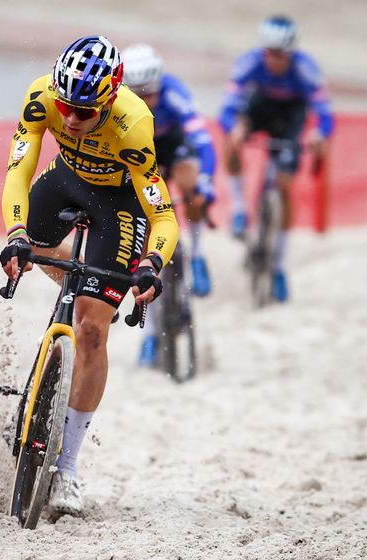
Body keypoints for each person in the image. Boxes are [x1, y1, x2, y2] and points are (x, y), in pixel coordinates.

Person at [0, 35, 178, 516]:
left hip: (120, 203)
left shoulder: (134, 122)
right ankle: (87, 287)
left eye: (85, 112)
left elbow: (164, 216)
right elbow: (18, 172)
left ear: (110, 97)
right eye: (66, 109)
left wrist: (152, 265)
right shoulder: (41, 98)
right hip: (65, 181)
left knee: (93, 330)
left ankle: (69, 469)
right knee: (31, 248)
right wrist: (16, 232)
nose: (71, 120)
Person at [219, 14, 334, 302]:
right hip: (260, 108)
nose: (275, 60)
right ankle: (239, 208)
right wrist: (235, 128)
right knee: (232, 138)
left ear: (291, 53)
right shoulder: (249, 63)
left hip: (291, 117)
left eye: (281, 55)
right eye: (270, 53)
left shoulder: (306, 69)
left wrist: (319, 135)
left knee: (284, 186)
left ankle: (280, 266)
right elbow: (227, 108)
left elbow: (325, 114)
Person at [120, 43, 217, 367]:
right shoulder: (117, 102)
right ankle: (150, 334)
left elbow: (203, 142)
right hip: (141, 152)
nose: (146, 101)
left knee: (192, 183)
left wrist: (204, 184)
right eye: (138, 95)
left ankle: (199, 253)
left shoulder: (175, 94)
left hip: (173, 148)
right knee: (147, 236)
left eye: (151, 94)